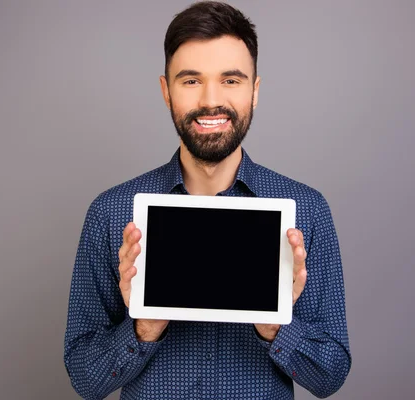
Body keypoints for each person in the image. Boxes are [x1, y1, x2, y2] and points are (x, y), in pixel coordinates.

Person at [64, 2, 351, 399]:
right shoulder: (113, 213)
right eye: (191, 80)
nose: (211, 100)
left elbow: (331, 375)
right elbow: (84, 378)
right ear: (167, 91)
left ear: (255, 91)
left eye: (231, 80)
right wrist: (143, 327)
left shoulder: (306, 211)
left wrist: (276, 324)